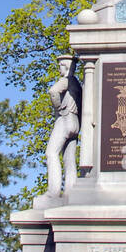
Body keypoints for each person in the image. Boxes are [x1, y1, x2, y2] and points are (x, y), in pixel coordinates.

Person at [45, 55, 82, 197]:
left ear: (66, 66)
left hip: (65, 118)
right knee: (69, 160)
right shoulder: (77, 83)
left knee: (51, 153)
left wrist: (59, 107)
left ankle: (53, 192)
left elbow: (53, 91)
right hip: (75, 122)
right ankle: (70, 193)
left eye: (60, 65)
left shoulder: (66, 80)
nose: (59, 68)